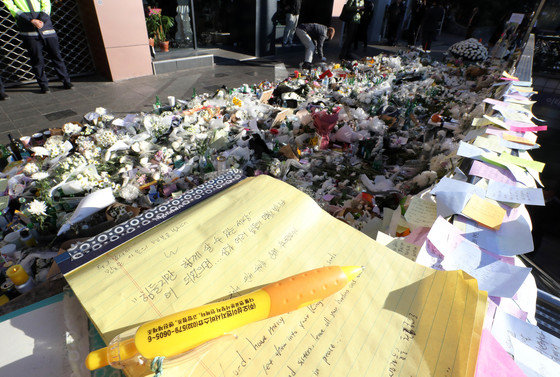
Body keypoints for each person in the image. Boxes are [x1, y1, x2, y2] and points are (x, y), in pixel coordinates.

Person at [2, 0, 73, 93]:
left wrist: (42, 19)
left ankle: (66, 81)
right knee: (37, 59)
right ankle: (43, 85)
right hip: (29, 30)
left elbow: (46, 3)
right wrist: (30, 20)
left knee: (56, 56)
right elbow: (11, 6)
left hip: (46, 28)